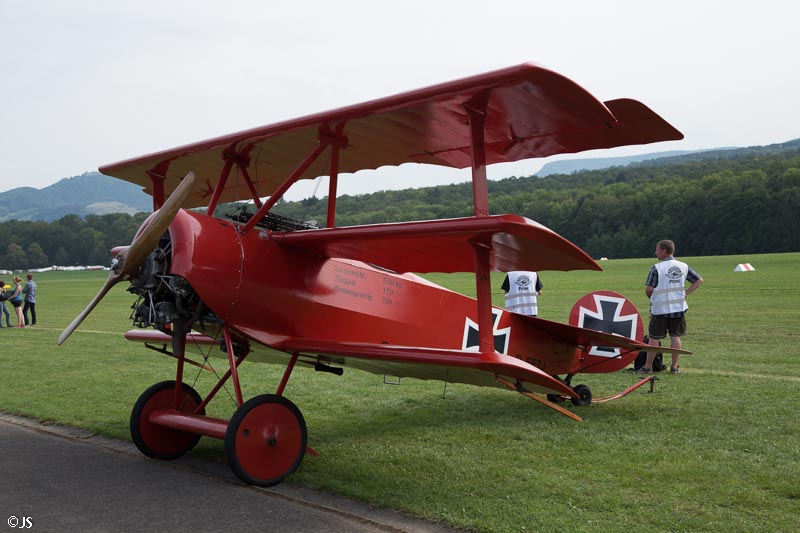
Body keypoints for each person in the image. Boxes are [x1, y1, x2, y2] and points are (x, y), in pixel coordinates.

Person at [640, 240, 703, 374]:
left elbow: (648, 289)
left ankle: (648, 367)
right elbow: (698, 281)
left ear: (664, 250)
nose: (656, 252)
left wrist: (653, 299)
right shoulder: (683, 266)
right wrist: (685, 293)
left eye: (657, 250)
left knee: (654, 337)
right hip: (678, 308)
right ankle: (674, 368)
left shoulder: (657, 268)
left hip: (660, 309)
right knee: (675, 336)